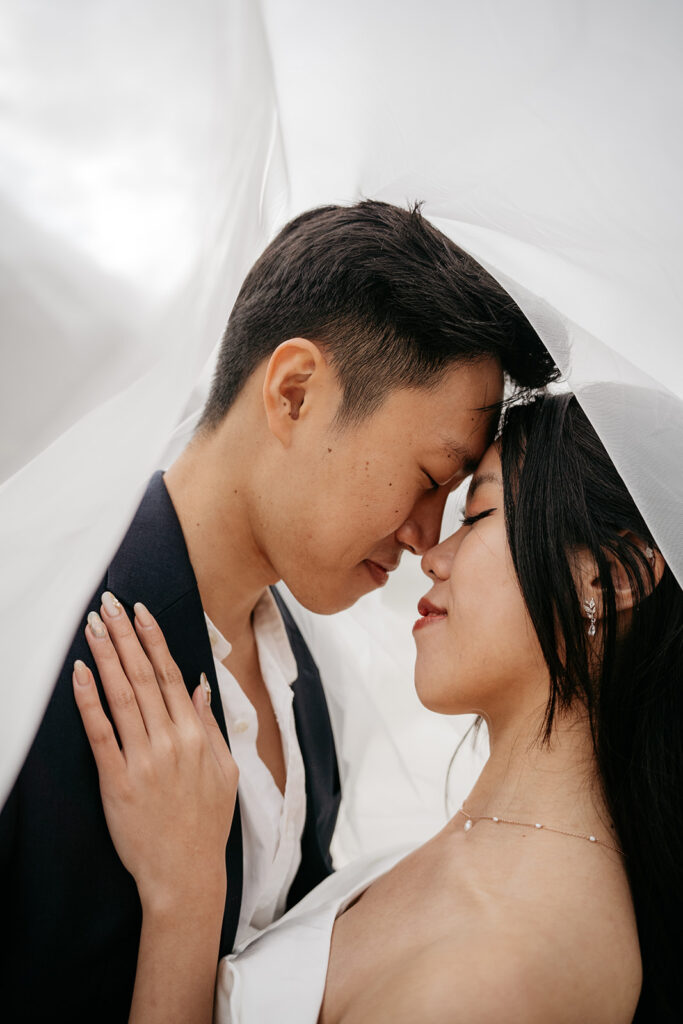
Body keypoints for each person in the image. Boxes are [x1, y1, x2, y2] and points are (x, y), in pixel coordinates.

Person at [0, 200, 556, 1022]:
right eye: (429, 477)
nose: (425, 537)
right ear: (295, 393)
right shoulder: (43, 640)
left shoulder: (310, 683)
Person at [74, 392, 682, 1023]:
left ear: (615, 575)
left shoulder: (498, 976)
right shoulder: (485, 865)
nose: (433, 558)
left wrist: (184, 899)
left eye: (478, 515)